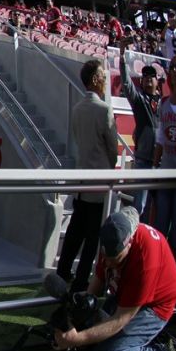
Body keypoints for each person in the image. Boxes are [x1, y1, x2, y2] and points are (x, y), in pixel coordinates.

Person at [53, 208, 176, 351]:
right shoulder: (111, 237)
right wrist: (82, 311)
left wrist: (76, 340)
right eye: (106, 258)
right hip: (124, 294)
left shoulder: (146, 259)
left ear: (130, 242)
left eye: (116, 259)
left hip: (155, 307)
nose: (109, 263)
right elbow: (98, 279)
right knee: (91, 332)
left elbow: (121, 319)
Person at [56, 60, 120, 291]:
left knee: (75, 231)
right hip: (99, 183)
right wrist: (108, 166)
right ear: (95, 79)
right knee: (92, 237)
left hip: (82, 182)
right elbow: (113, 149)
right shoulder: (103, 110)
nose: (106, 80)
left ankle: (63, 274)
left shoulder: (77, 109)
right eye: (103, 76)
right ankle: (82, 282)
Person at [151, 56, 176, 261]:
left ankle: (171, 275)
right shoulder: (164, 102)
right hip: (165, 170)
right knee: (160, 225)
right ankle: (157, 268)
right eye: (171, 67)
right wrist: (154, 165)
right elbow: (159, 136)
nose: (174, 70)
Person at [119, 43, 160, 215]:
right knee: (140, 206)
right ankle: (136, 238)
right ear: (141, 80)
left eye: (152, 75)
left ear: (158, 80)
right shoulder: (139, 100)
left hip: (161, 162)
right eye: (145, 76)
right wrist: (122, 58)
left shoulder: (164, 102)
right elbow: (127, 85)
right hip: (144, 160)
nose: (148, 78)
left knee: (156, 208)